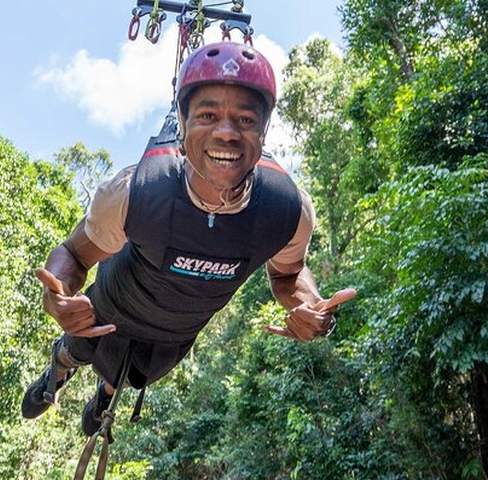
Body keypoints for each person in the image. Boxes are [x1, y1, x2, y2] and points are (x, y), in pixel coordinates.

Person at [22, 41, 355, 435]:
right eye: (208, 115)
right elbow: (74, 255)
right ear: (182, 124)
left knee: (135, 376)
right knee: (80, 347)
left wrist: (314, 309)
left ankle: (106, 397)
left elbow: (287, 277)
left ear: (263, 133)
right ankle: (55, 374)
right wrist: (57, 297)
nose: (227, 133)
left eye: (246, 120)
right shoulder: (135, 193)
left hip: (177, 331)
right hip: (113, 306)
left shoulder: (285, 210)